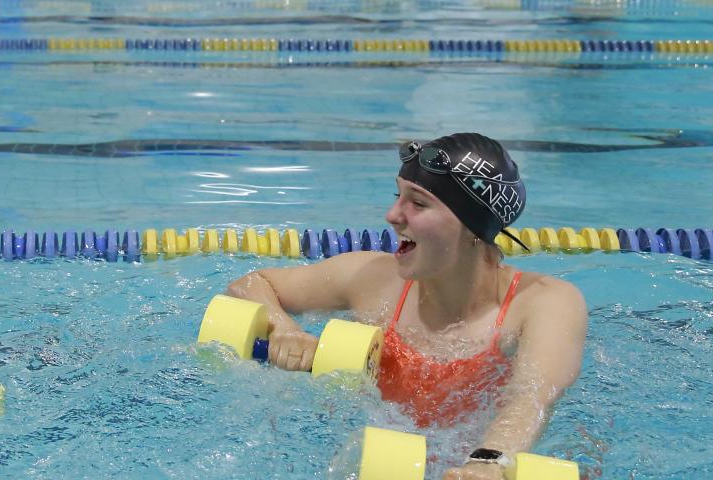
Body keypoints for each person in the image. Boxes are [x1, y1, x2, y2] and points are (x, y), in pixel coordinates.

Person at [223, 133, 588, 479]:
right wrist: (286, 330)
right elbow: (252, 284)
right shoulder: (371, 279)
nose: (393, 215)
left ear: (471, 225)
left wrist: (487, 462)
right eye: (398, 196)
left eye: (417, 203)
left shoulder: (543, 302)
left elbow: (529, 397)